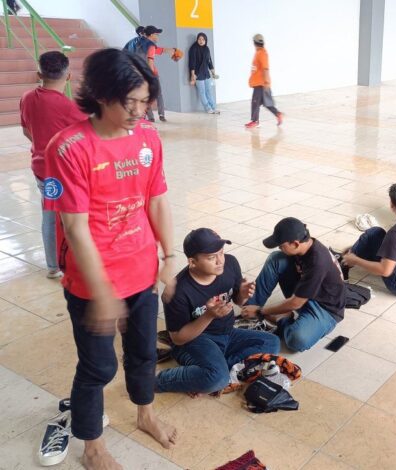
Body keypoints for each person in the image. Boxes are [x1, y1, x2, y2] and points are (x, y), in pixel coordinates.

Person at [43, 48, 177, 469]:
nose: (140, 111)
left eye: (145, 101)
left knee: (144, 354)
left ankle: (145, 414)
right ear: (101, 95)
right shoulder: (69, 147)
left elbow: (157, 199)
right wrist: (102, 294)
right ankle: (93, 447)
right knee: (97, 368)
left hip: (141, 271)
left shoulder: (148, 139)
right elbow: (76, 228)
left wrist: (169, 256)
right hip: (91, 283)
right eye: (130, 102)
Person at [155, 228, 280, 395]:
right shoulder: (177, 291)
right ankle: (159, 380)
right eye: (211, 257)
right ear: (192, 262)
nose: (220, 260)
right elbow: (178, 339)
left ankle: (206, 373)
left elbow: (236, 300)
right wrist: (208, 316)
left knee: (272, 343)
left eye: (221, 252)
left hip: (227, 333)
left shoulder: (230, 264)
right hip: (195, 340)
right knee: (217, 379)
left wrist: (242, 296)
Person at [19, 51, 86, 279]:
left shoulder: (27, 98)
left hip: (40, 168)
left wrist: (41, 146)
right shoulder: (68, 107)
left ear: (39, 74)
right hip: (61, 172)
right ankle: (55, 264)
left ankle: (55, 262)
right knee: (61, 214)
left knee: (50, 212)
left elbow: (27, 130)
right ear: (68, 76)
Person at [241, 218, 345, 352]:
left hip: (325, 308)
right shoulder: (304, 244)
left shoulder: (318, 261)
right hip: (306, 289)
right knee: (276, 259)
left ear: (295, 244)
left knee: (297, 340)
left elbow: (296, 303)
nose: (279, 248)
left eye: (281, 245)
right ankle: (250, 309)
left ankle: (280, 318)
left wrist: (261, 312)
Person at [245, 33, 283, 129]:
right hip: (260, 83)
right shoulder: (259, 52)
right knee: (266, 103)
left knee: (255, 102)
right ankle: (278, 114)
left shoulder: (262, 53)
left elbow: (265, 69)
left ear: (254, 43)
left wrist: (266, 82)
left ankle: (255, 121)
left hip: (261, 84)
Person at [188, 32, 219, 114]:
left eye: (203, 39)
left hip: (206, 74)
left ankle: (213, 107)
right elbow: (192, 63)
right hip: (198, 74)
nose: (201, 41)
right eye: (199, 39)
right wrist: (193, 75)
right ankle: (208, 108)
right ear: (197, 40)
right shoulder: (193, 49)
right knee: (202, 92)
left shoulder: (207, 49)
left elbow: (209, 62)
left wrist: (213, 73)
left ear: (205, 40)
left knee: (209, 91)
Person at [144, 25, 169, 122]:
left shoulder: (149, 45)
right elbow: (150, 60)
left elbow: (159, 50)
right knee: (151, 95)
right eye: (156, 34)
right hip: (149, 74)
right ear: (150, 35)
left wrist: (172, 50)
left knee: (153, 95)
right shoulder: (148, 46)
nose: (158, 36)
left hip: (148, 74)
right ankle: (153, 116)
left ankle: (156, 116)